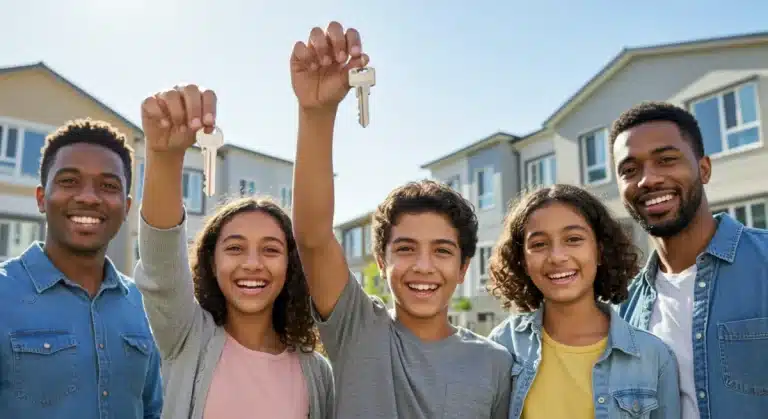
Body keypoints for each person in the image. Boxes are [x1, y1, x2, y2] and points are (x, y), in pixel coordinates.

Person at [290, 21, 512, 418]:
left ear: (463, 268)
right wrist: (316, 113)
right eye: (406, 249)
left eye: (442, 251)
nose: (423, 266)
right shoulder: (357, 329)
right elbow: (312, 237)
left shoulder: (496, 364)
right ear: (381, 261)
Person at [132, 84, 334, 419]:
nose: (252, 264)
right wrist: (164, 156)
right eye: (235, 248)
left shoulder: (316, 372)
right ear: (212, 263)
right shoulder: (187, 338)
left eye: (270, 250)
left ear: (290, 265)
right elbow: (161, 265)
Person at [613, 101, 768, 419]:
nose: (648, 180)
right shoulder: (623, 312)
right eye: (630, 170)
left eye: (666, 160)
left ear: (704, 169)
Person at [0, 119, 163, 418]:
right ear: (41, 198)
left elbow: (153, 410)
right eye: (69, 181)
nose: (89, 197)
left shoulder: (142, 305)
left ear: (126, 208)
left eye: (108, 186)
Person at [488, 184, 681, 419]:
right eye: (539, 244)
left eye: (573, 239)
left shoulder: (655, 357)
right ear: (522, 261)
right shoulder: (502, 346)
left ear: (600, 250)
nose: (557, 257)